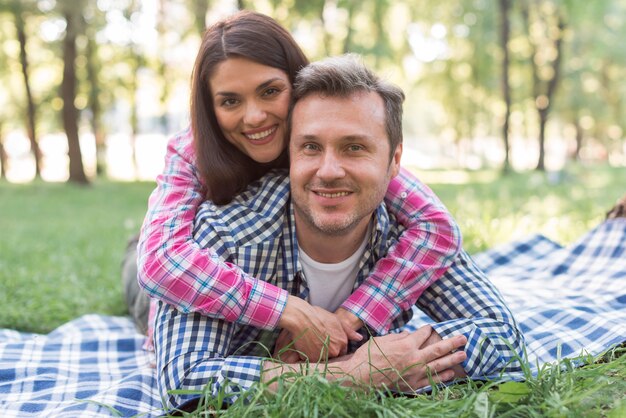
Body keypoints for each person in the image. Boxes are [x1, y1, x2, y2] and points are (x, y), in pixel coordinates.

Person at [153, 54, 525, 411]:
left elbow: (505, 337)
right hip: (158, 281)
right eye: (311, 147)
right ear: (290, 155)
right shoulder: (223, 234)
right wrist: (353, 374)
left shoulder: (416, 238)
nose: (329, 171)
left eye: (354, 147)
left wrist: (400, 356)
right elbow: (185, 383)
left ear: (394, 160)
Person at [131, 10, 463, 359]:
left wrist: (350, 317)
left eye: (270, 91)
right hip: (185, 274)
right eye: (230, 101)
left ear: (298, 85)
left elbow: (437, 228)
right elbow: (158, 260)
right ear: (210, 108)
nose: (254, 116)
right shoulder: (192, 152)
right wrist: (287, 309)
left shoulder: (329, 151)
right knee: (136, 262)